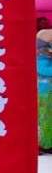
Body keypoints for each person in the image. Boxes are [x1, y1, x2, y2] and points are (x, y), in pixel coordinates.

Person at [37, 21, 52, 154]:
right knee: (43, 117)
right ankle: (40, 143)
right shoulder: (42, 53)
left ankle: (49, 143)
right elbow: (42, 69)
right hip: (44, 91)